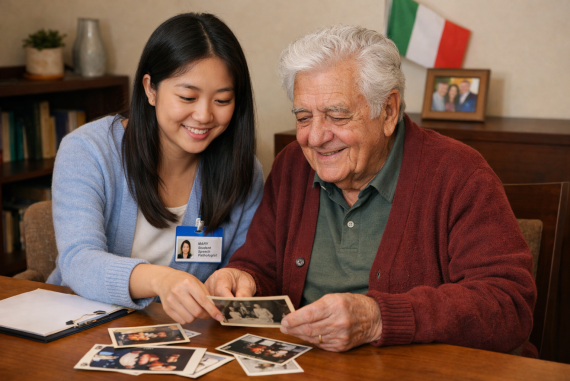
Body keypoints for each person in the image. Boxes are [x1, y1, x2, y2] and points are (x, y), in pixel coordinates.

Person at [206, 25, 537, 357]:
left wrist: (378, 319)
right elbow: (260, 266)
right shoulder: (293, 165)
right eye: (304, 117)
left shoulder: (460, 173)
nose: (316, 137)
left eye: (337, 115)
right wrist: (242, 277)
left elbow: (508, 304)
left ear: (388, 111)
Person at [46, 13, 264, 325]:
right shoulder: (88, 150)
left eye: (222, 100)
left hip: (188, 339)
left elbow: (241, 266)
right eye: (187, 96)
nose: (203, 115)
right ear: (150, 89)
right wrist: (160, 280)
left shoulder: (243, 171)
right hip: (80, 325)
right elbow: (77, 261)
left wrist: (235, 279)